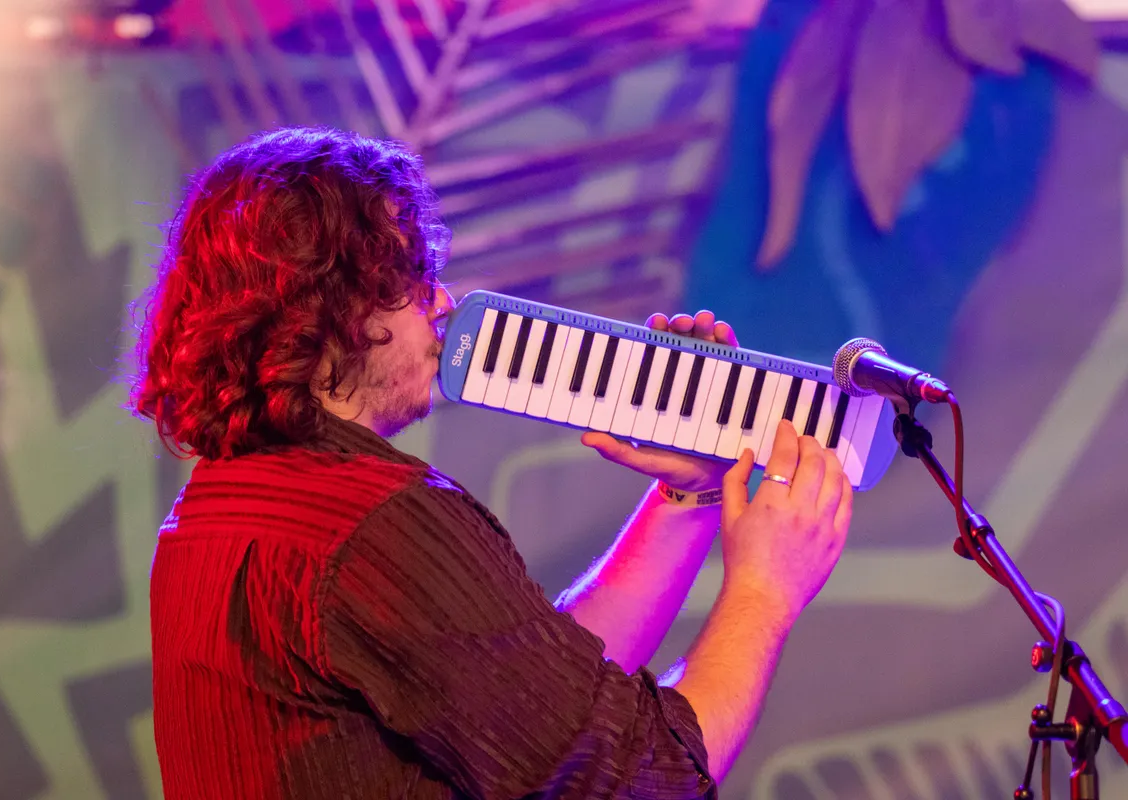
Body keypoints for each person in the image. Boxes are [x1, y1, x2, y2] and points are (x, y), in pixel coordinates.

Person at [131, 126, 853, 800]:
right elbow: (640, 777)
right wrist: (765, 589)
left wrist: (687, 496)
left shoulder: (215, 506)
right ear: (333, 304)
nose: (439, 301)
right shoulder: (375, 523)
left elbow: (532, 702)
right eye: (410, 277)